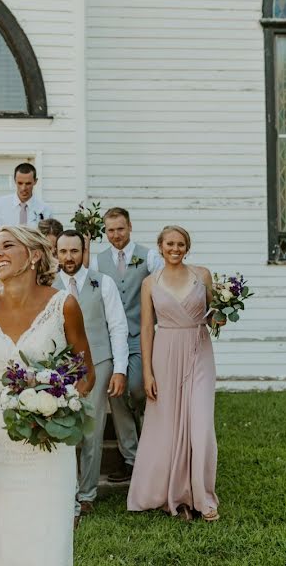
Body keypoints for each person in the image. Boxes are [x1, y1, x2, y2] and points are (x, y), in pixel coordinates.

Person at [0, 225, 95, 565]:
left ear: (35, 255)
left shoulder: (63, 305)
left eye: (8, 245)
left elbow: (85, 374)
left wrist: (59, 407)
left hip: (50, 445)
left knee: (46, 536)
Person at [127, 225, 220, 522]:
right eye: (170, 244)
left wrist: (222, 315)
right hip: (165, 354)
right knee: (166, 425)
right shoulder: (149, 283)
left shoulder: (202, 275)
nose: (175, 249)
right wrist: (148, 373)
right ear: (160, 246)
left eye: (181, 244)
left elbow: (216, 318)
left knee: (201, 425)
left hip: (198, 349)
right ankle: (175, 495)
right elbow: (145, 328)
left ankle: (203, 497)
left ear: (187, 247)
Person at [53, 230, 129, 517]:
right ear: (56, 253)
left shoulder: (103, 282)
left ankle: (87, 494)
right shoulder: (48, 284)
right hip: (61, 368)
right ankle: (65, 491)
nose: (69, 257)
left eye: (74, 251)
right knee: (62, 430)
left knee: (92, 431)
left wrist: (119, 369)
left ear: (83, 252)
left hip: (98, 363)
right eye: (63, 252)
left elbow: (118, 327)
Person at [93, 207, 163, 483]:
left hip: (140, 336)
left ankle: (151, 448)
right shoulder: (99, 262)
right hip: (111, 339)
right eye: (110, 230)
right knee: (116, 395)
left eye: (120, 229)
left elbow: (164, 288)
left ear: (130, 227)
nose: (115, 235)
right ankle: (131, 458)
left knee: (136, 388)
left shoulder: (149, 257)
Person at [0, 163, 53, 230]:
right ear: (14, 180)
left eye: (28, 183)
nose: (23, 188)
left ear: (35, 181)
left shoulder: (45, 209)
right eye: (20, 183)